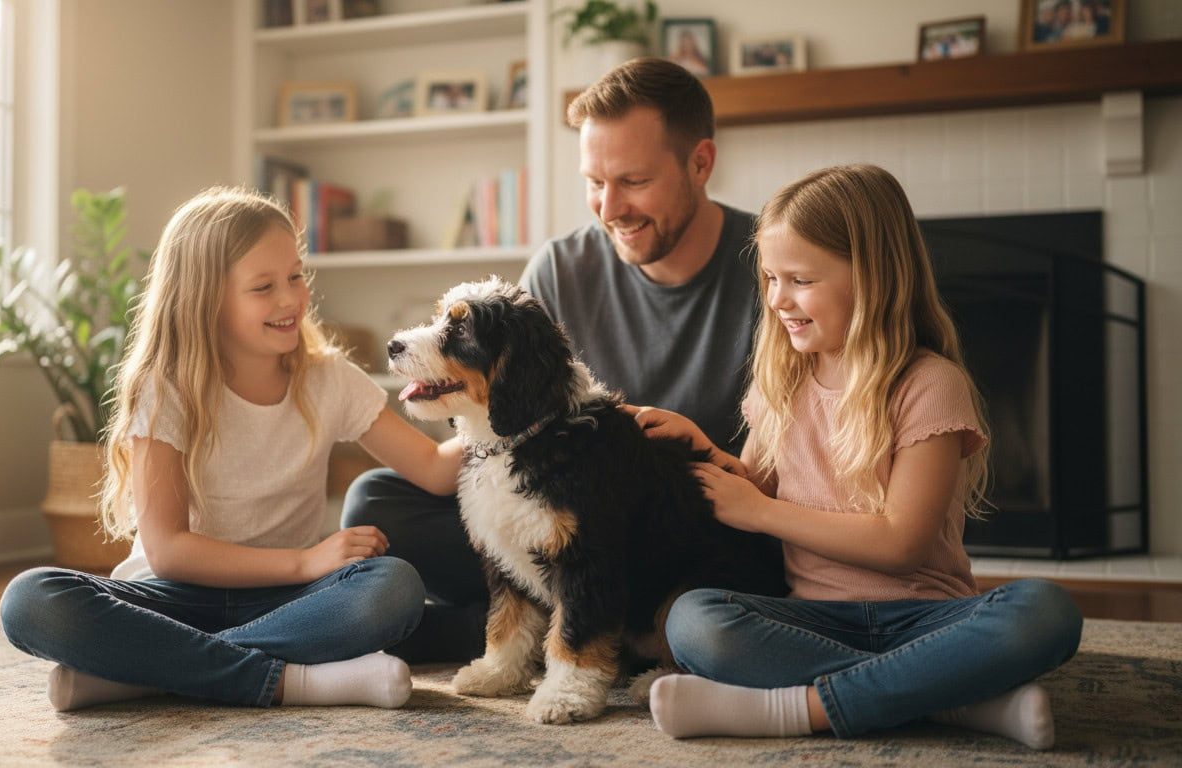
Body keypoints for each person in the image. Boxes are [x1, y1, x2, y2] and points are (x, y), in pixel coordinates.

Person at [627, 164, 1082, 750]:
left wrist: (760, 512)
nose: (778, 299)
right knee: (693, 620)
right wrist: (704, 449)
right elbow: (758, 488)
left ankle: (795, 708)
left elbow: (901, 544)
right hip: (814, 618)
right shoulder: (781, 381)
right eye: (769, 277)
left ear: (872, 278)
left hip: (928, 618)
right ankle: (957, 702)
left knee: (1045, 612)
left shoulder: (929, 384)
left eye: (801, 280)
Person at [342, 57, 769, 662]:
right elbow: (495, 425)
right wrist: (345, 398)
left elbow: (787, 477)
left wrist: (709, 450)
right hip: (558, 520)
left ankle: (524, 631)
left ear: (701, 162)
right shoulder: (559, 268)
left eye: (634, 181)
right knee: (375, 505)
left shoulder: (774, 273)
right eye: (595, 181)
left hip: (680, 533)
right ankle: (557, 626)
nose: (609, 207)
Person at [0, 187, 464, 712]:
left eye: (295, 276)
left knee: (392, 589)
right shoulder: (167, 389)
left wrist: (505, 412)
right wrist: (305, 562)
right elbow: (169, 551)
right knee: (31, 600)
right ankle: (297, 682)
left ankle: (145, 674)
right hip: (172, 598)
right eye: (263, 287)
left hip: (286, 605)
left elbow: (433, 469)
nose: (290, 299)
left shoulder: (330, 379)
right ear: (206, 299)